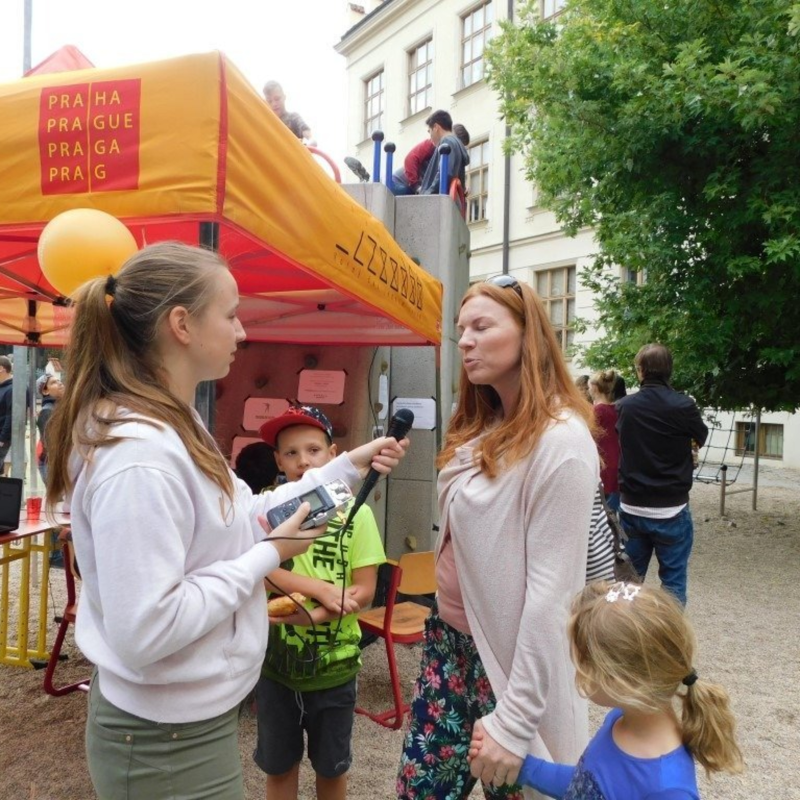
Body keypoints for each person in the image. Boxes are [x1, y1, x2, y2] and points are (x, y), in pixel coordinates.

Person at [43, 241, 408, 800]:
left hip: (181, 726)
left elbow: (248, 513)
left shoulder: (173, 424)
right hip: (164, 740)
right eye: (231, 314)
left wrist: (346, 468)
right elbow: (147, 630)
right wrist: (270, 555)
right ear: (182, 325)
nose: (241, 331)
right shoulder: (140, 456)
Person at [397, 274, 599, 799]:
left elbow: (553, 595)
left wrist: (516, 719)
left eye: (482, 327)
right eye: (461, 329)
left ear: (528, 335)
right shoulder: (485, 426)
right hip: (448, 643)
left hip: (510, 665)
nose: (464, 341)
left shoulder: (562, 441)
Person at [470, 581, 744, 799]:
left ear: (623, 681)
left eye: (583, 664)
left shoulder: (668, 788)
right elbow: (584, 785)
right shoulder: (620, 720)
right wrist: (524, 766)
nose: (577, 672)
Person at [253, 404, 385, 800]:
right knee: (279, 767)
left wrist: (311, 615)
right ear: (278, 460)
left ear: (333, 454)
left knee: (332, 768)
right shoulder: (267, 510)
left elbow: (364, 590)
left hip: (336, 668)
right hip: (275, 668)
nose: (303, 461)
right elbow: (258, 569)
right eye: (290, 453)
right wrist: (319, 588)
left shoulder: (358, 514)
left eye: (313, 450)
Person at [616, 344, 708, 606]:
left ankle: (622, 629)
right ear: (669, 370)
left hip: (632, 506)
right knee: (673, 583)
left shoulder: (625, 406)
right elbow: (700, 436)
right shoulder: (684, 405)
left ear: (641, 371)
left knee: (627, 583)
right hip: (672, 506)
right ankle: (670, 631)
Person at [391, 123, 471, 196]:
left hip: (414, 187)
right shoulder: (433, 144)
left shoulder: (452, 157)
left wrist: (462, 189)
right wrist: (416, 186)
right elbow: (410, 159)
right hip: (401, 183)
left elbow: (449, 177)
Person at [588, 369, 620, 511]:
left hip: (602, 461)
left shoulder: (596, 411)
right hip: (616, 459)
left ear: (595, 388)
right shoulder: (616, 408)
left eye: (589, 387)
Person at [419, 110, 470, 195]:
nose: (430, 137)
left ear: (436, 127)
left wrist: (428, 193)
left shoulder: (447, 141)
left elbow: (445, 173)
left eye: (429, 131)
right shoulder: (456, 144)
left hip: (435, 199)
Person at [263, 80, 314, 144]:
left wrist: (310, 140)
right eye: (269, 101)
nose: (274, 104)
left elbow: (304, 129)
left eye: (277, 99)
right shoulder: (267, 124)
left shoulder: (293, 117)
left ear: (284, 97)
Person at [36, 373, 64, 484]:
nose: (60, 383)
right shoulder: (47, 411)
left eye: (59, 380)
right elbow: (50, 444)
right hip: (52, 464)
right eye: (53, 382)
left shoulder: (59, 408)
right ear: (45, 391)